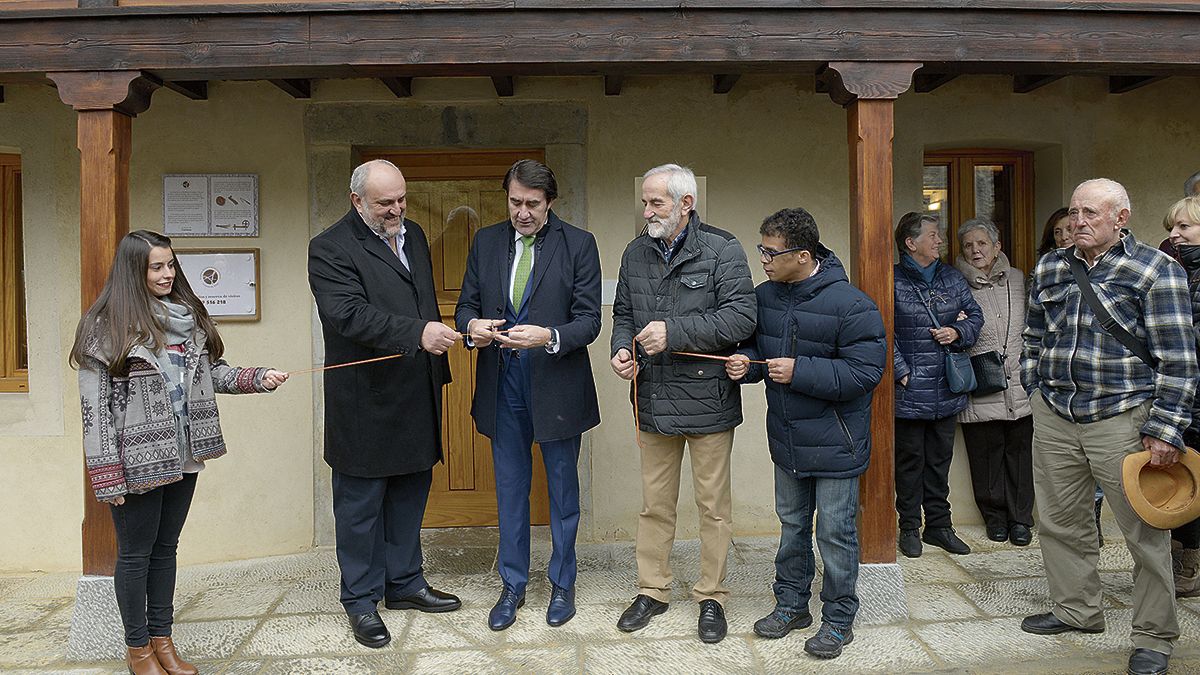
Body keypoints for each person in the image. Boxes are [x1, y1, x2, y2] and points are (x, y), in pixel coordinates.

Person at [71, 230, 287, 675]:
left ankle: (162, 640)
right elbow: (94, 412)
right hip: (136, 462)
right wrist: (107, 476)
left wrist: (257, 377)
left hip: (185, 454)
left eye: (171, 264)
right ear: (135, 270)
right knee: (135, 555)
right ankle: (138, 652)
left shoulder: (188, 318)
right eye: (157, 266)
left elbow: (214, 375)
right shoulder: (104, 327)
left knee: (166, 548)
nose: (168, 273)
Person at [1021, 179, 1198, 675]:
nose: (1078, 221)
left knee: (1145, 533)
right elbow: (1034, 335)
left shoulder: (1156, 269)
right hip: (1056, 414)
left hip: (1123, 420)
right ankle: (1076, 611)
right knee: (1060, 523)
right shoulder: (1053, 265)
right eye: (1075, 212)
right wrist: (1033, 383)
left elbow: (1180, 360)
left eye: (1091, 213)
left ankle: (1154, 638)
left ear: (1121, 217)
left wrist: (1165, 428)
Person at [308, 159, 462, 650]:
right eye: (384, 203)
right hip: (364, 399)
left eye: (401, 199)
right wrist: (419, 333)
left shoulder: (413, 233)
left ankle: (405, 583)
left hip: (416, 389)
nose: (396, 209)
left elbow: (420, 299)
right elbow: (348, 315)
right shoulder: (329, 248)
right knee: (360, 507)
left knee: (411, 493)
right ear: (357, 201)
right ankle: (359, 600)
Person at [726, 208, 885, 659]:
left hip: (838, 442)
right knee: (792, 527)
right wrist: (745, 364)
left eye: (770, 252)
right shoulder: (766, 297)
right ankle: (792, 605)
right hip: (788, 440)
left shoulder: (852, 304)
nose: (764, 259)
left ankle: (838, 619)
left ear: (802, 254)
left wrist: (798, 371)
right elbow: (756, 347)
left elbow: (866, 372)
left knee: (835, 532)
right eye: (763, 249)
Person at [610, 163, 756, 643]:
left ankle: (711, 596)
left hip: (708, 397)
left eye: (657, 202)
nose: (647, 210)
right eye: (645, 201)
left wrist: (673, 332)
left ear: (685, 204)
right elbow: (625, 313)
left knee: (713, 506)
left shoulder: (723, 248)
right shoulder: (635, 252)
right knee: (655, 504)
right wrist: (623, 350)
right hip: (652, 397)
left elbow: (741, 319)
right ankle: (653, 590)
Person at [455, 159, 602, 630]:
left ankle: (563, 583)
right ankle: (512, 585)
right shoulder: (486, 241)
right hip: (503, 382)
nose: (522, 212)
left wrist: (549, 337)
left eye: (532, 205)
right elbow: (466, 306)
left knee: (562, 490)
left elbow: (589, 320)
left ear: (550, 203)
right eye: (515, 202)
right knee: (511, 490)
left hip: (557, 382)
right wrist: (471, 327)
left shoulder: (578, 244)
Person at [892, 212, 984, 558]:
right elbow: (880, 331)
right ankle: (909, 528)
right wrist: (900, 370)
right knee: (909, 461)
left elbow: (975, 316)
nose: (939, 240)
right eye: (932, 235)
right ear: (910, 243)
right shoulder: (892, 279)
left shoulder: (951, 277)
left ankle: (940, 527)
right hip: (909, 388)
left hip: (947, 386)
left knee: (939, 461)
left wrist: (958, 331)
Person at [954, 219, 1034, 546]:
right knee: (986, 457)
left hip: (1019, 381)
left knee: (1020, 456)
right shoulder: (955, 284)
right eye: (969, 245)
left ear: (997, 246)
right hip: (981, 382)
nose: (976, 250)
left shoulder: (1018, 280)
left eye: (982, 244)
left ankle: (1021, 520)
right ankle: (994, 517)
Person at [1162, 195, 1200, 597]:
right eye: (1172, 228)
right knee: (1183, 482)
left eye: (1184, 227)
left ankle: (1189, 565)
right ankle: (1180, 561)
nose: (1174, 235)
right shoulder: (1180, 274)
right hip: (1186, 401)